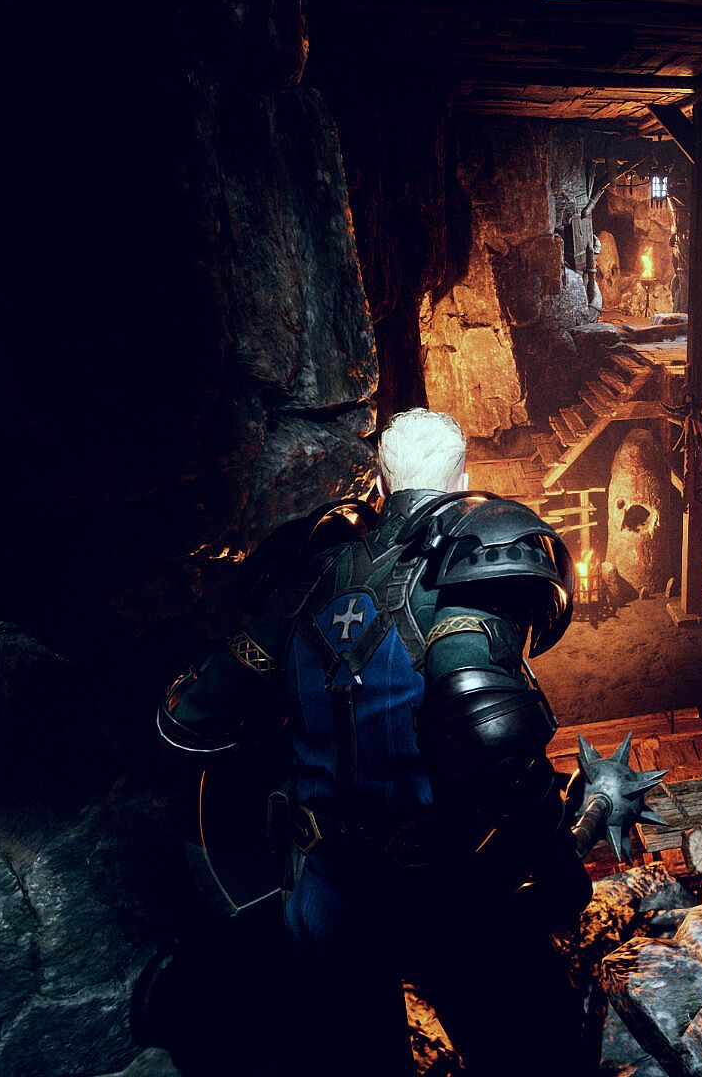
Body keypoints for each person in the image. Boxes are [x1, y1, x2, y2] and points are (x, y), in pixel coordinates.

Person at [153, 408, 595, 1074]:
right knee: (538, 1060)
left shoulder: (304, 580)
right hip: (450, 893)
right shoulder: (465, 580)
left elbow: (188, 720)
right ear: (464, 479)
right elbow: (496, 740)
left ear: (381, 484)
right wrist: (560, 865)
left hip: (325, 891)